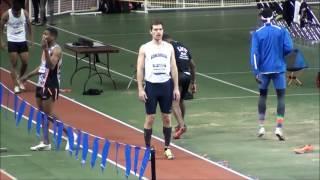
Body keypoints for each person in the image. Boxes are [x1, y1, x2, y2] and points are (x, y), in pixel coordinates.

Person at [136, 20, 180, 159]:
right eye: (155, 29)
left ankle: (167, 148)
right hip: (151, 86)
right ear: (151, 32)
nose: (158, 32)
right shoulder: (145, 48)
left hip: (166, 86)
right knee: (150, 118)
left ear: (163, 30)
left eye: (160, 29)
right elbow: (140, 68)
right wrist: (140, 89)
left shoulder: (169, 47)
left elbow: (173, 68)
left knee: (167, 118)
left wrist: (176, 88)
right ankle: (148, 149)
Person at [250, 8, 293, 141]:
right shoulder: (281, 31)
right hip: (279, 69)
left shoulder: (257, 33)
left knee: (263, 96)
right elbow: (289, 48)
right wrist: (281, 56)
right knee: (281, 98)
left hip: (264, 70)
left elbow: (254, 54)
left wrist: (256, 71)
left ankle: (261, 126)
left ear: (262, 18)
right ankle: (279, 127)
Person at [20, 27, 62, 151]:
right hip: (41, 83)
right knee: (43, 113)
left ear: (53, 37)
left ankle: (67, 134)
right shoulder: (46, 49)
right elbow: (42, 67)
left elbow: (51, 66)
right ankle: (46, 142)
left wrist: (44, 49)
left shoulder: (56, 50)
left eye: (46, 34)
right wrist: (27, 76)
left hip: (51, 84)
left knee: (47, 114)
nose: (43, 36)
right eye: (43, 33)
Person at [162, 34, 196, 139]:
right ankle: (180, 123)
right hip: (187, 76)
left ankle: (182, 126)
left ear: (166, 40)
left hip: (178, 76)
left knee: (173, 102)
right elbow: (193, 65)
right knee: (180, 100)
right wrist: (193, 82)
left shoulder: (169, 46)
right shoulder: (183, 47)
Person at [0, 0, 33, 94]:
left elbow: (29, 25)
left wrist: (31, 39)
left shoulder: (25, 13)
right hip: (12, 41)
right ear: (12, 9)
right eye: (15, 12)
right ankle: (15, 85)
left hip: (22, 40)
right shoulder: (6, 15)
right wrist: (1, 41)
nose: (17, 14)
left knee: (25, 62)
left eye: (18, 12)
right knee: (14, 64)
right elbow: (1, 28)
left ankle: (19, 79)